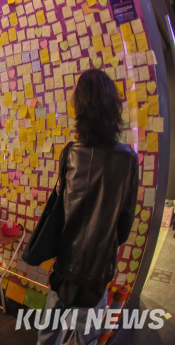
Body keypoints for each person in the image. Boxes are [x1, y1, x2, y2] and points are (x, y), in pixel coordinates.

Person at [37, 69, 138, 345]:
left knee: (48, 335)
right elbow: (125, 225)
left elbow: (62, 212)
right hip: (98, 270)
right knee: (87, 339)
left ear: (78, 107)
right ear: (113, 107)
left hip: (65, 265)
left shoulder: (70, 153)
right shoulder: (128, 159)